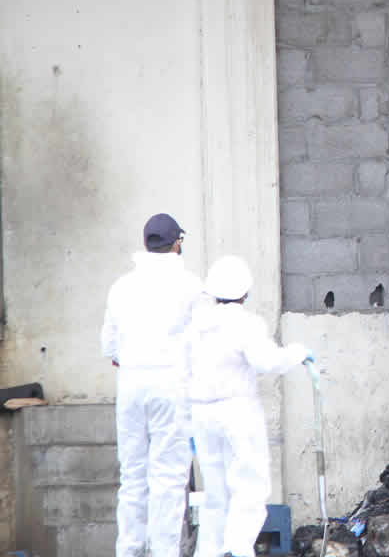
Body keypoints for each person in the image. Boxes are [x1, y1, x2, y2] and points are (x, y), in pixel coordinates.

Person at [186, 255, 311, 557]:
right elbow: (267, 361)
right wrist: (298, 352)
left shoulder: (196, 325)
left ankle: (210, 552)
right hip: (237, 413)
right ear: (245, 292)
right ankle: (238, 550)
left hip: (201, 415)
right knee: (250, 488)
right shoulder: (246, 323)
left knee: (216, 494)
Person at [102, 212, 204, 557]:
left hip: (131, 387)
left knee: (132, 478)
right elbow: (202, 342)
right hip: (171, 385)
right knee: (169, 480)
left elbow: (109, 348)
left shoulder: (121, 287)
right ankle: (163, 552)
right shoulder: (190, 285)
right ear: (176, 244)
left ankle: (128, 551)